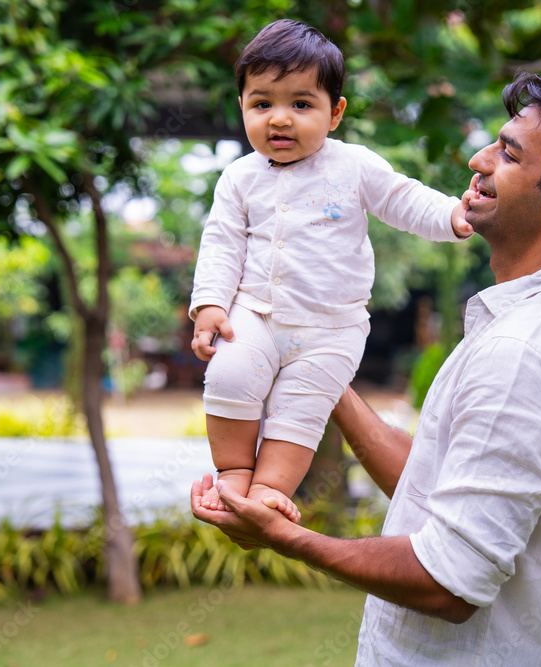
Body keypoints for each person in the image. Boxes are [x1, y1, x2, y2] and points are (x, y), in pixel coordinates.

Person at [192, 71, 541, 665]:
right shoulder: (515, 321)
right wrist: (310, 360)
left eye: (508, 152)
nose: (478, 159)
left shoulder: (522, 354)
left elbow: (449, 583)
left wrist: (286, 537)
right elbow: (436, 486)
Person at [189, 19, 473, 521]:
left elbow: (404, 200)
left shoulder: (353, 165)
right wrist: (211, 303)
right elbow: (221, 244)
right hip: (254, 314)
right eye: (262, 104)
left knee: (302, 407)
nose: (280, 119)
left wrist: (452, 215)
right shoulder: (238, 178)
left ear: (335, 113)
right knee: (229, 375)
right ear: (242, 107)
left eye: (301, 104)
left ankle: (268, 490)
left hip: (331, 331)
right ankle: (233, 474)